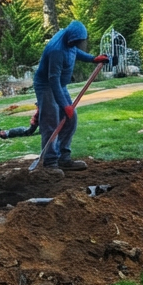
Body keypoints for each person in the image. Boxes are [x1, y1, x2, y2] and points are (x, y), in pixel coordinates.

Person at [32, 21, 108, 176]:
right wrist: (64, 105)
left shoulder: (69, 41)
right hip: (47, 86)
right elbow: (53, 79)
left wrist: (93, 59)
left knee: (71, 119)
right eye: (77, 42)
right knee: (51, 122)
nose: (78, 44)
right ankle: (50, 163)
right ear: (72, 38)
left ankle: (64, 158)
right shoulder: (56, 50)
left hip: (60, 85)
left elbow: (74, 52)